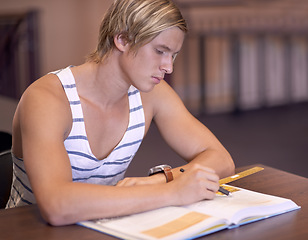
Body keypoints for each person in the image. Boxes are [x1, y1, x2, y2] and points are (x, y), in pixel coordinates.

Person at [6, 0, 234, 226]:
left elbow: (221, 159)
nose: (168, 67)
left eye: (172, 55)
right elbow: (57, 206)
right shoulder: (47, 98)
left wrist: (161, 179)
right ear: (122, 39)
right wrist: (172, 191)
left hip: (103, 229)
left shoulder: (152, 94)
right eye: (160, 51)